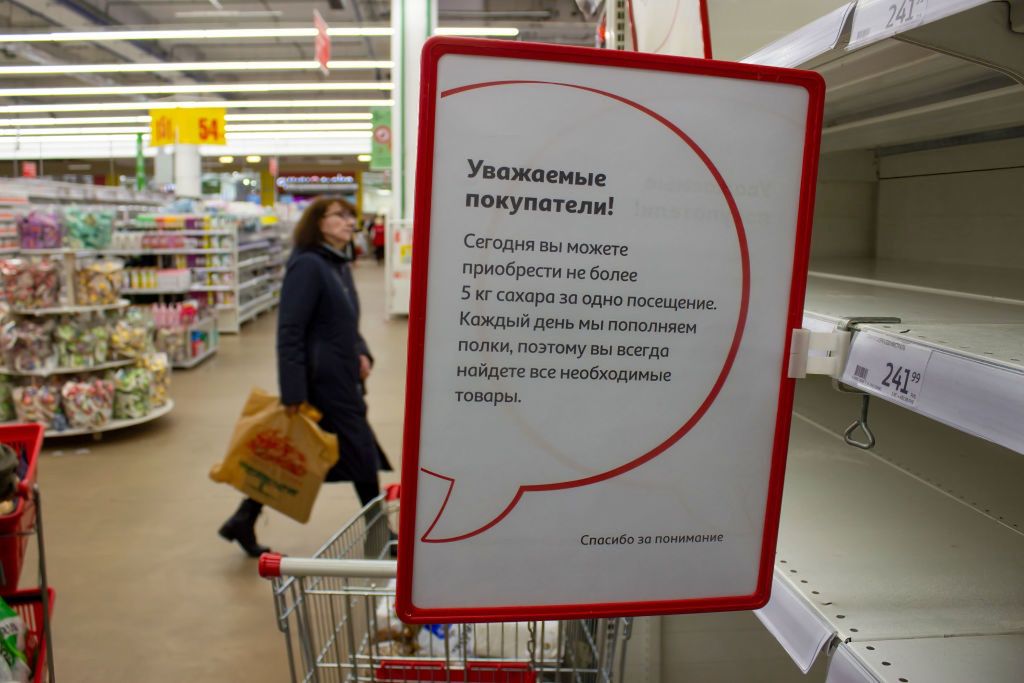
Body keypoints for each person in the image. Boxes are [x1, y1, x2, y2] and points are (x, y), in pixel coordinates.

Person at [218, 196, 391, 557]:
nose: (349, 221)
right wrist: (294, 391)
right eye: (339, 216)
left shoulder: (338, 264)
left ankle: (243, 518)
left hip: (341, 374)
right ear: (318, 222)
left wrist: (362, 350)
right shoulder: (308, 266)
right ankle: (380, 532)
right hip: (320, 381)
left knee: (295, 453)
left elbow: (345, 321)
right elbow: (290, 331)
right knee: (357, 450)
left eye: (350, 215)